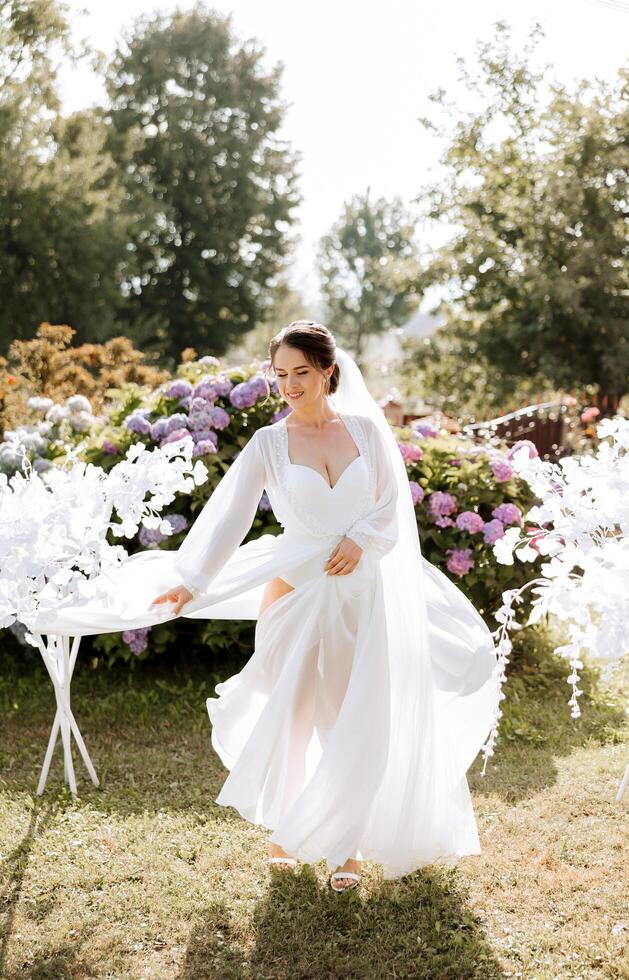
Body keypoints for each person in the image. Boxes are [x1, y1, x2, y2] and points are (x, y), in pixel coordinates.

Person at [146, 320, 501, 892]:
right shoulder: (270, 444)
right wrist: (193, 582)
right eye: (280, 374)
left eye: (301, 373)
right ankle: (288, 827)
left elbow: (390, 505)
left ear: (327, 371)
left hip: (364, 595)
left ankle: (347, 846)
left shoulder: (364, 431)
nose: (289, 385)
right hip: (294, 591)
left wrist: (360, 538)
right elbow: (230, 519)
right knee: (292, 713)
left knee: (351, 715)